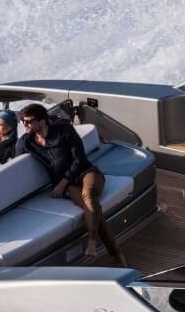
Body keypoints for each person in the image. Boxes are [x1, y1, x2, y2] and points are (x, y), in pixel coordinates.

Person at [16, 103, 125, 264]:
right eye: (23, 121)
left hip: (86, 173)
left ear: (43, 121)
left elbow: (80, 158)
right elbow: (14, 159)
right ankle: (115, 253)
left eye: (29, 121)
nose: (25, 124)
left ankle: (92, 241)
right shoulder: (28, 141)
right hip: (68, 185)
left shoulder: (64, 130)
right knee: (90, 207)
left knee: (89, 196)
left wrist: (62, 183)